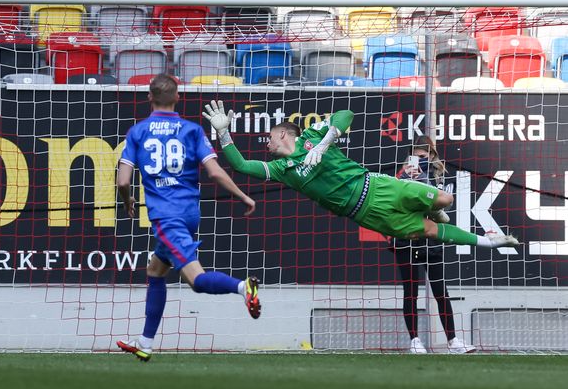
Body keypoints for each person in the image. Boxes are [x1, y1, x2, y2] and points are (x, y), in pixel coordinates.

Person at [202, 100, 519, 249]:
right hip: (366, 213)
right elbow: (242, 166)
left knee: (445, 198)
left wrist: (324, 145)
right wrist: (224, 134)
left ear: (285, 134)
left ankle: (434, 208)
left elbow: (346, 114)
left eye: (270, 136)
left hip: (377, 186)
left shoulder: (312, 135)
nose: (267, 142)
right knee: (429, 232)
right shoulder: (281, 170)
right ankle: (486, 241)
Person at [116, 76, 261, 362]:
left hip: (166, 218)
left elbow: (123, 181)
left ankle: (244, 287)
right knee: (156, 270)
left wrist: (128, 199)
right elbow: (216, 172)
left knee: (196, 280)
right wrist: (243, 195)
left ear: (149, 97)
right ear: (178, 97)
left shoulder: (138, 132)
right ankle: (145, 342)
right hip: (190, 214)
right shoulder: (192, 130)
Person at [391, 137, 475, 354]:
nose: (419, 161)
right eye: (416, 157)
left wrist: (424, 183)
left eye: (423, 157)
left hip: (431, 242)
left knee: (441, 292)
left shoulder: (441, 178)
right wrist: (405, 180)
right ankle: (415, 341)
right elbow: (396, 204)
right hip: (406, 240)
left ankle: (453, 341)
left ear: (432, 156)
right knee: (410, 292)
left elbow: (440, 209)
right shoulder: (400, 177)